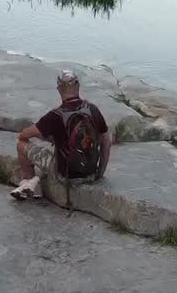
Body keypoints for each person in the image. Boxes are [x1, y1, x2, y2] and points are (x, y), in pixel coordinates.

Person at [10, 69, 111, 200]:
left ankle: (29, 183)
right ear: (78, 85)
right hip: (90, 174)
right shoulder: (92, 109)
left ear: (59, 89)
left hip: (66, 177)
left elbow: (23, 136)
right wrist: (99, 174)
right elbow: (106, 143)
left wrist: (47, 137)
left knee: (21, 146)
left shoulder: (54, 116)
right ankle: (33, 182)